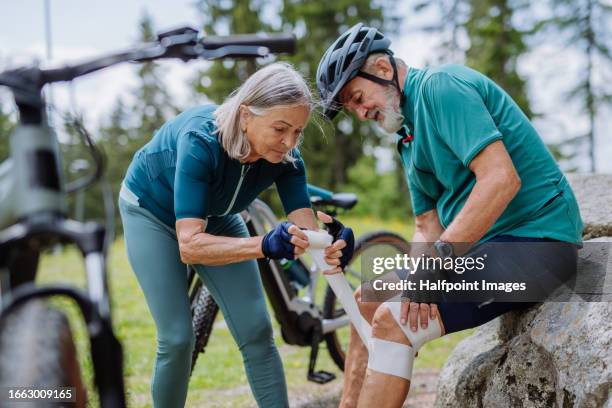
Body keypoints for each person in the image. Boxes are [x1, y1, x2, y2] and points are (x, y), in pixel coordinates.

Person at [316, 23, 583, 407]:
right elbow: (426, 227)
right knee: (367, 299)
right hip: (488, 250)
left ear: (383, 69)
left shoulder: (441, 88)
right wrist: (417, 280)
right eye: (351, 107)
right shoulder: (408, 139)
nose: (360, 113)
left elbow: (500, 179)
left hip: (540, 244)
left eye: (357, 97)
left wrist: (434, 268)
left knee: (393, 322)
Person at [118, 62, 354, 408]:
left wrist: (331, 243)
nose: (289, 142)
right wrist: (263, 244)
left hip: (217, 216)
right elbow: (190, 245)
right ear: (246, 116)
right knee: (177, 338)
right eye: (280, 128)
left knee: (257, 331)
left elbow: (307, 230)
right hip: (152, 214)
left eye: (298, 132)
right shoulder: (201, 140)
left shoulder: (287, 158)